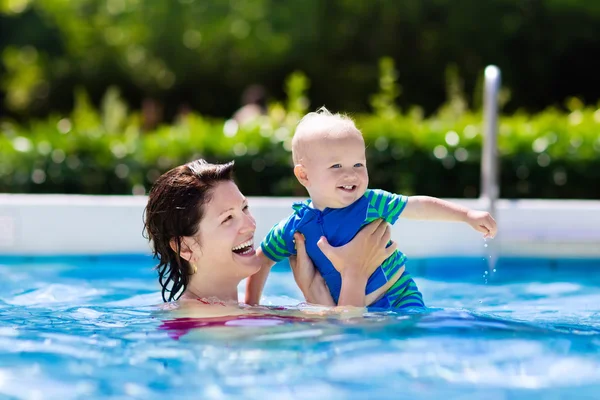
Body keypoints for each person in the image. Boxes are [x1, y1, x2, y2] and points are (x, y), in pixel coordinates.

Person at [246, 107, 498, 309]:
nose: (351, 174)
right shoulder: (294, 227)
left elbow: (419, 206)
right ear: (304, 175)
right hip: (355, 309)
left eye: (358, 164)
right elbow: (261, 262)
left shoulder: (371, 203)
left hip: (399, 296)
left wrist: (466, 216)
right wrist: (251, 307)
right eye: (336, 167)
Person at [143, 159, 398, 316]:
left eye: (244, 208)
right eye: (227, 219)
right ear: (184, 247)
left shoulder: (239, 313)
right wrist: (355, 273)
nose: (250, 225)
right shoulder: (203, 321)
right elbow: (352, 350)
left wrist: (315, 294)